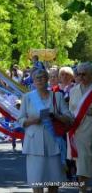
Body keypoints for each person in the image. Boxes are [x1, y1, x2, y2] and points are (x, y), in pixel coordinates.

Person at [18, 69, 73, 193]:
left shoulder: (57, 96)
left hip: (54, 143)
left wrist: (56, 116)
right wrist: (32, 121)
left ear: (47, 79)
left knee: (54, 180)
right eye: (37, 78)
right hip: (34, 144)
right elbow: (20, 120)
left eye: (43, 77)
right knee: (37, 180)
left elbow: (69, 118)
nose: (41, 80)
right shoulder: (27, 97)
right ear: (33, 80)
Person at [69, 62, 92, 192]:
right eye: (79, 74)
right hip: (78, 131)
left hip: (90, 127)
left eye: (84, 74)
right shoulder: (73, 91)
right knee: (81, 162)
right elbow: (70, 110)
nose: (81, 77)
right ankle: (82, 190)